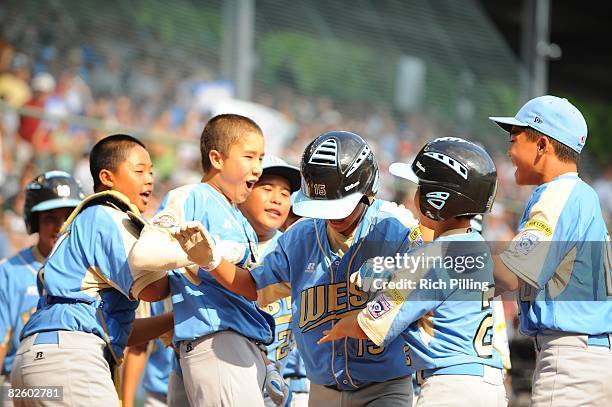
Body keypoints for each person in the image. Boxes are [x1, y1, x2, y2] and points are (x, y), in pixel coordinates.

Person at [173, 131, 424, 406]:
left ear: (368, 191)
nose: (332, 215)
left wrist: (401, 272)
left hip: (385, 386)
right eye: (323, 205)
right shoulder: (299, 237)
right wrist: (212, 261)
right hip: (323, 389)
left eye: (339, 206)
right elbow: (253, 287)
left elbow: (443, 281)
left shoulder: (396, 229)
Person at [319, 136, 507, 406]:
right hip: (489, 385)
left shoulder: (432, 256)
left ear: (438, 199)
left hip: (450, 387)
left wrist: (340, 326)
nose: (416, 193)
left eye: (421, 187)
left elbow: (373, 324)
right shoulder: (478, 247)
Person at [10, 134, 177, 407]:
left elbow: (118, 329)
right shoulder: (109, 215)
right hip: (70, 362)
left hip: (32, 363)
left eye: (151, 172)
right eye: (139, 171)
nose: (149, 179)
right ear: (107, 177)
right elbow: (154, 290)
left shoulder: (80, 226)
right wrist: (199, 272)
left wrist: (174, 317)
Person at [489, 95, 612, 406]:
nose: (509, 150)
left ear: (542, 145)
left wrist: (432, 272)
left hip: (571, 362)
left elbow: (510, 274)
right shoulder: (579, 196)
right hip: (586, 356)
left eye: (515, 138)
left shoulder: (560, 192)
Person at [148, 114, 272, 407]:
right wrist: (206, 258)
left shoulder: (237, 215)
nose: (258, 167)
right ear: (217, 158)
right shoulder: (191, 195)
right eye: (249, 156)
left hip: (229, 346)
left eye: (261, 158)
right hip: (218, 343)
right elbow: (148, 254)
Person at [0, 171, 83, 407]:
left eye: (69, 217)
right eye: (50, 218)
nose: (60, 226)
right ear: (34, 221)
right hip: (19, 384)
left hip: (77, 377)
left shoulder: (92, 271)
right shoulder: (9, 271)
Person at [238, 155, 301, 406]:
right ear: (244, 190)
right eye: (267, 188)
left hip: (278, 385)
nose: (277, 198)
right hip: (227, 372)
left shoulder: (297, 248)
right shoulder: (223, 245)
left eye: (285, 193)